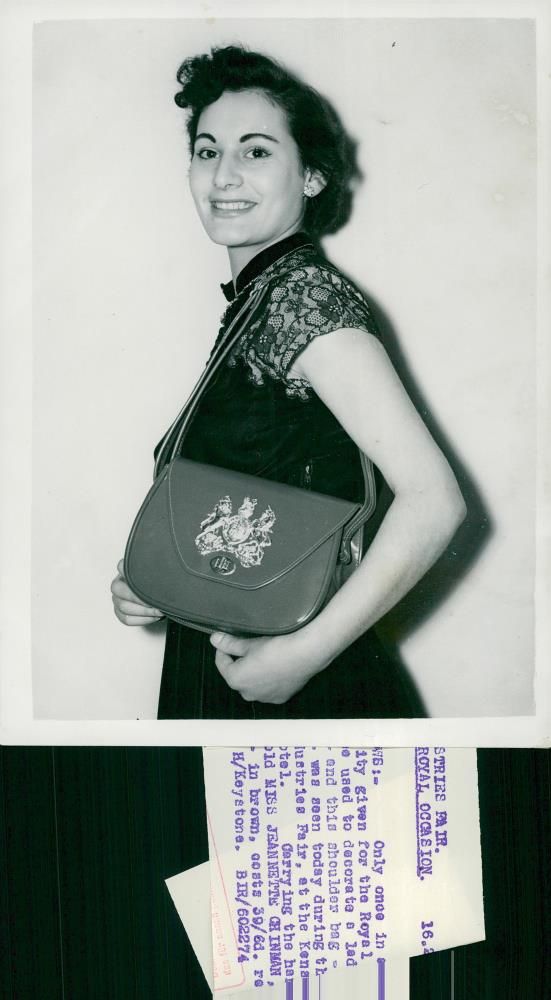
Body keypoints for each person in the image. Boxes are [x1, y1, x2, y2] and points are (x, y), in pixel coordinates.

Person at [111, 45, 466, 720]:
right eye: (208, 151)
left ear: (311, 178)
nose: (224, 176)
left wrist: (305, 654)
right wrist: (154, 581)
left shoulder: (305, 299)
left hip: (294, 675)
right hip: (240, 652)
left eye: (256, 152)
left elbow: (433, 501)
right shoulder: (261, 299)